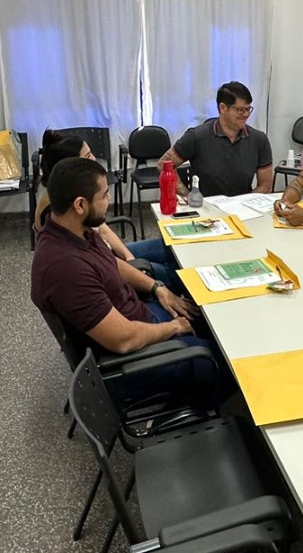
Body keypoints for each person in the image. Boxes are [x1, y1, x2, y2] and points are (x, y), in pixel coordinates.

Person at [31, 157, 217, 404]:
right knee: (223, 361)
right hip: (127, 362)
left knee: (214, 319)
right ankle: (207, 409)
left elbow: (110, 263)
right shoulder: (65, 267)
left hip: (140, 318)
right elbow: (123, 340)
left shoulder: (75, 231)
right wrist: (174, 327)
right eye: (104, 195)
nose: (108, 201)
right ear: (80, 205)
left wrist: (156, 287)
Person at [33, 131, 182, 295]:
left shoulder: (71, 192)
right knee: (174, 274)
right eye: (88, 156)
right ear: (71, 165)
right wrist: (140, 272)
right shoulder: (59, 211)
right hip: (106, 266)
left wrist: (129, 257)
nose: (94, 159)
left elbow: (102, 230)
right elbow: (100, 262)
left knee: (171, 247)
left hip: (106, 253)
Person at [161, 82, 273, 198]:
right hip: (205, 204)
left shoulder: (259, 140)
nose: (246, 114)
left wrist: (242, 202)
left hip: (242, 205)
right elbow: (163, 165)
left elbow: (265, 185)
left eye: (248, 109)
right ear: (223, 108)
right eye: (240, 110)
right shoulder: (197, 136)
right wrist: (187, 195)